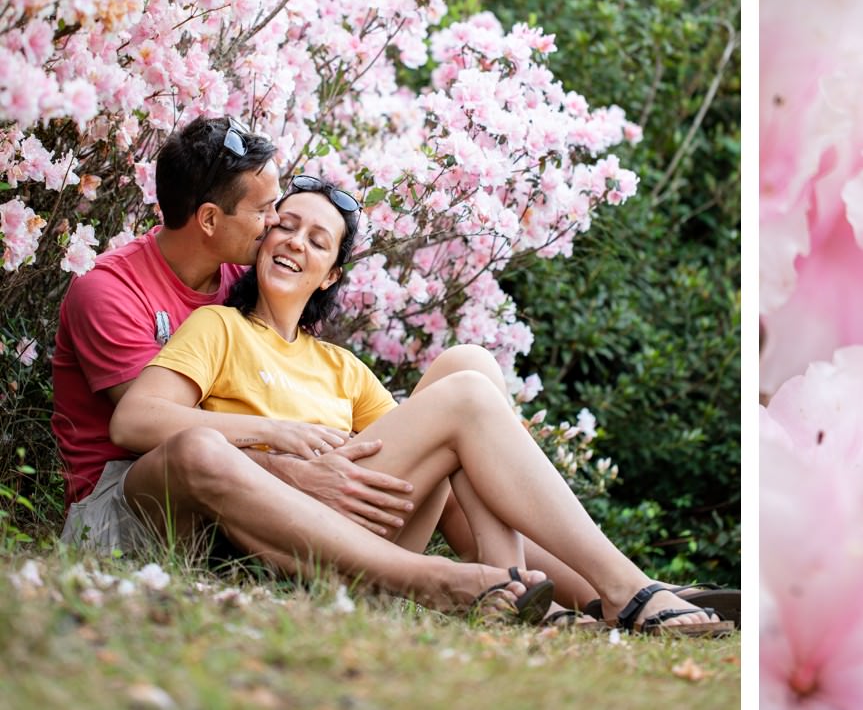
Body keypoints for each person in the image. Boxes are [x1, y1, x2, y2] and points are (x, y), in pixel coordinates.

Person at [110, 176, 730, 634]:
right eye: (286, 225)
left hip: (357, 522)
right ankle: (620, 588)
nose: (295, 242)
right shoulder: (218, 328)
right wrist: (278, 436)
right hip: (266, 531)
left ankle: (532, 593)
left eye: (318, 240)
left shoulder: (340, 367)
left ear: (329, 275)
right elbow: (137, 421)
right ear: (263, 237)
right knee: (465, 392)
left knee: (472, 368)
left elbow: (463, 479)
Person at [52, 117, 576, 617]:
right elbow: (147, 432)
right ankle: (425, 578)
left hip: (236, 508)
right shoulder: (112, 291)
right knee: (200, 448)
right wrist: (286, 452)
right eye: (267, 214)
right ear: (211, 220)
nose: (277, 228)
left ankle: (561, 590)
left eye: (304, 233)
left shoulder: (249, 273)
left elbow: (425, 461)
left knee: (467, 379)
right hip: (127, 501)